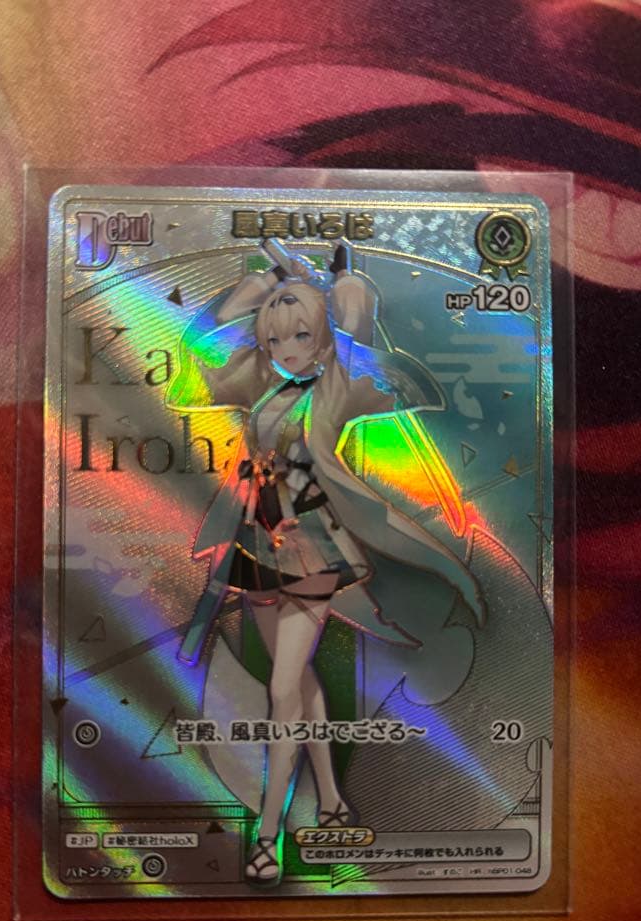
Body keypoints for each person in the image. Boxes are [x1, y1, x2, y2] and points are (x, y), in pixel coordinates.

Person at [170, 240, 484, 885]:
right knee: (299, 682)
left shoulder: (337, 384)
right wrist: (252, 288)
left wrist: (346, 291)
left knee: (283, 690)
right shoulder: (262, 382)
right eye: (275, 340)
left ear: (321, 340)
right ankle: (333, 800)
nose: (286, 352)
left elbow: (382, 363)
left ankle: (268, 833)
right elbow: (190, 364)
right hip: (257, 547)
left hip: (314, 551)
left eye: (300, 338)